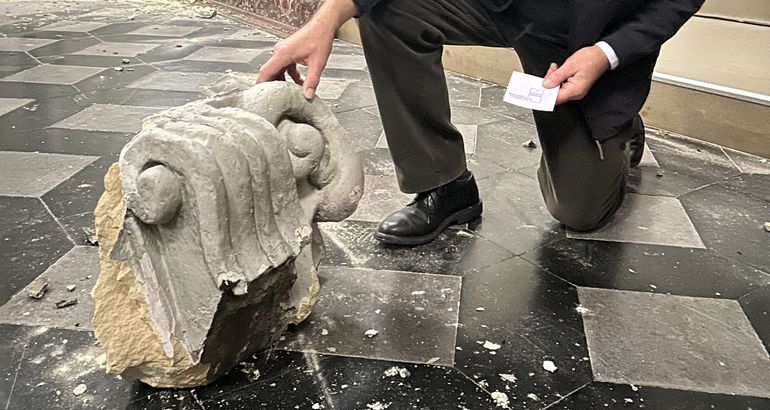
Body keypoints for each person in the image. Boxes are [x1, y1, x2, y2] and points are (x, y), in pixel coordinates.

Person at [257, 0, 704, 245]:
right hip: (497, 6)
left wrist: (606, 55)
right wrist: (329, 16)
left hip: (583, 37)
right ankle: (444, 184)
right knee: (389, 13)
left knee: (579, 212)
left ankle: (619, 131)